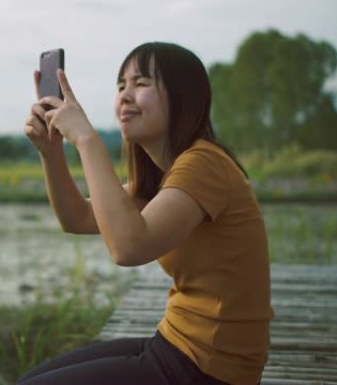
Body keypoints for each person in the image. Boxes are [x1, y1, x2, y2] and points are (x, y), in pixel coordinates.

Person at [19, 42, 273, 385]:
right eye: (121, 85)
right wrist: (51, 153)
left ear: (184, 97)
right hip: (176, 344)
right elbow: (77, 218)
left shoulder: (204, 163)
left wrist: (85, 139)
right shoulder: (162, 176)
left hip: (211, 369)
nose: (125, 95)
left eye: (141, 83)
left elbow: (128, 247)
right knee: (34, 377)